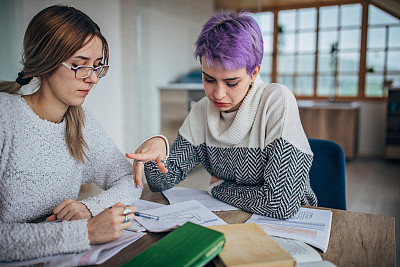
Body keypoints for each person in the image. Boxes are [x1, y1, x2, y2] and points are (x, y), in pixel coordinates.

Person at [127, 11, 317, 220]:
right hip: (234, 216)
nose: (217, 94)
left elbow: (280, 203)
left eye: (231, 83)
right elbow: (160, 182)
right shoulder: (201, 110)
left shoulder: (275, 100)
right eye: (209, 79)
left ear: (254, 73)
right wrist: (159, 145)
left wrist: (218, 187)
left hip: (291, 222)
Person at [0, 5, 141, 262]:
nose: (93, 79)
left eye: (97, 66)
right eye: (79, 65)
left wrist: (89, 208)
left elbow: (129, 179)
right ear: (46, 60)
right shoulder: (5, 116)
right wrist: (85, 232)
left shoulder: (80, 122)